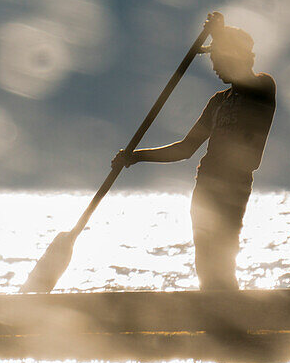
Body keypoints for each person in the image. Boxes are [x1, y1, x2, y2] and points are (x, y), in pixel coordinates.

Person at [114, 15, 276, 290]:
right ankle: (212, 311)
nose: (213, 66)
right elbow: (185, 149)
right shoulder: (217, 102)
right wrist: (136, 156)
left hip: (233, 186)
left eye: (218, 58)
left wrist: (220, 33)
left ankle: (228, 314)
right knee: (204, 260)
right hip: (206, 187)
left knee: (222, 256)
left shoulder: (261, 87)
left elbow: (248, 81)